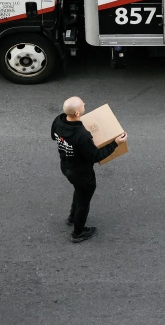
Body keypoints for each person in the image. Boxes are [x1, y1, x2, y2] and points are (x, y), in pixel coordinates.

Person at [51, 96, 128, 243]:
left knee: (79, 191)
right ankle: (78, 233)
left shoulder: (58, 121)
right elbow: (96, 156)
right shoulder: (82, 135)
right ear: (77, 114)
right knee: (83, 202)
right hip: (82, 174)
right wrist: (116, 143)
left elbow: (54, 138)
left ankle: (72, 217)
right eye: (82, 105)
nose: (85, 104)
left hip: (66, 166)